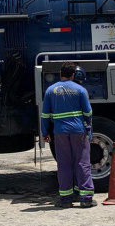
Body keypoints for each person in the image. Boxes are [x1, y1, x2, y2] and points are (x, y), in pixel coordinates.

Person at [41, 63, 95, 208]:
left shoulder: (50, 91)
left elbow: (45, 114)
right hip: (78, 131)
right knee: (82, 162)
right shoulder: (80, 90)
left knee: (64, 164)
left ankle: (65, 200)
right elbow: (88, 112)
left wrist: (45, 132)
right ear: (73, 75)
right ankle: (86, 199)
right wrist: (88, 127)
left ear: (60, 73)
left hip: (60, 132)